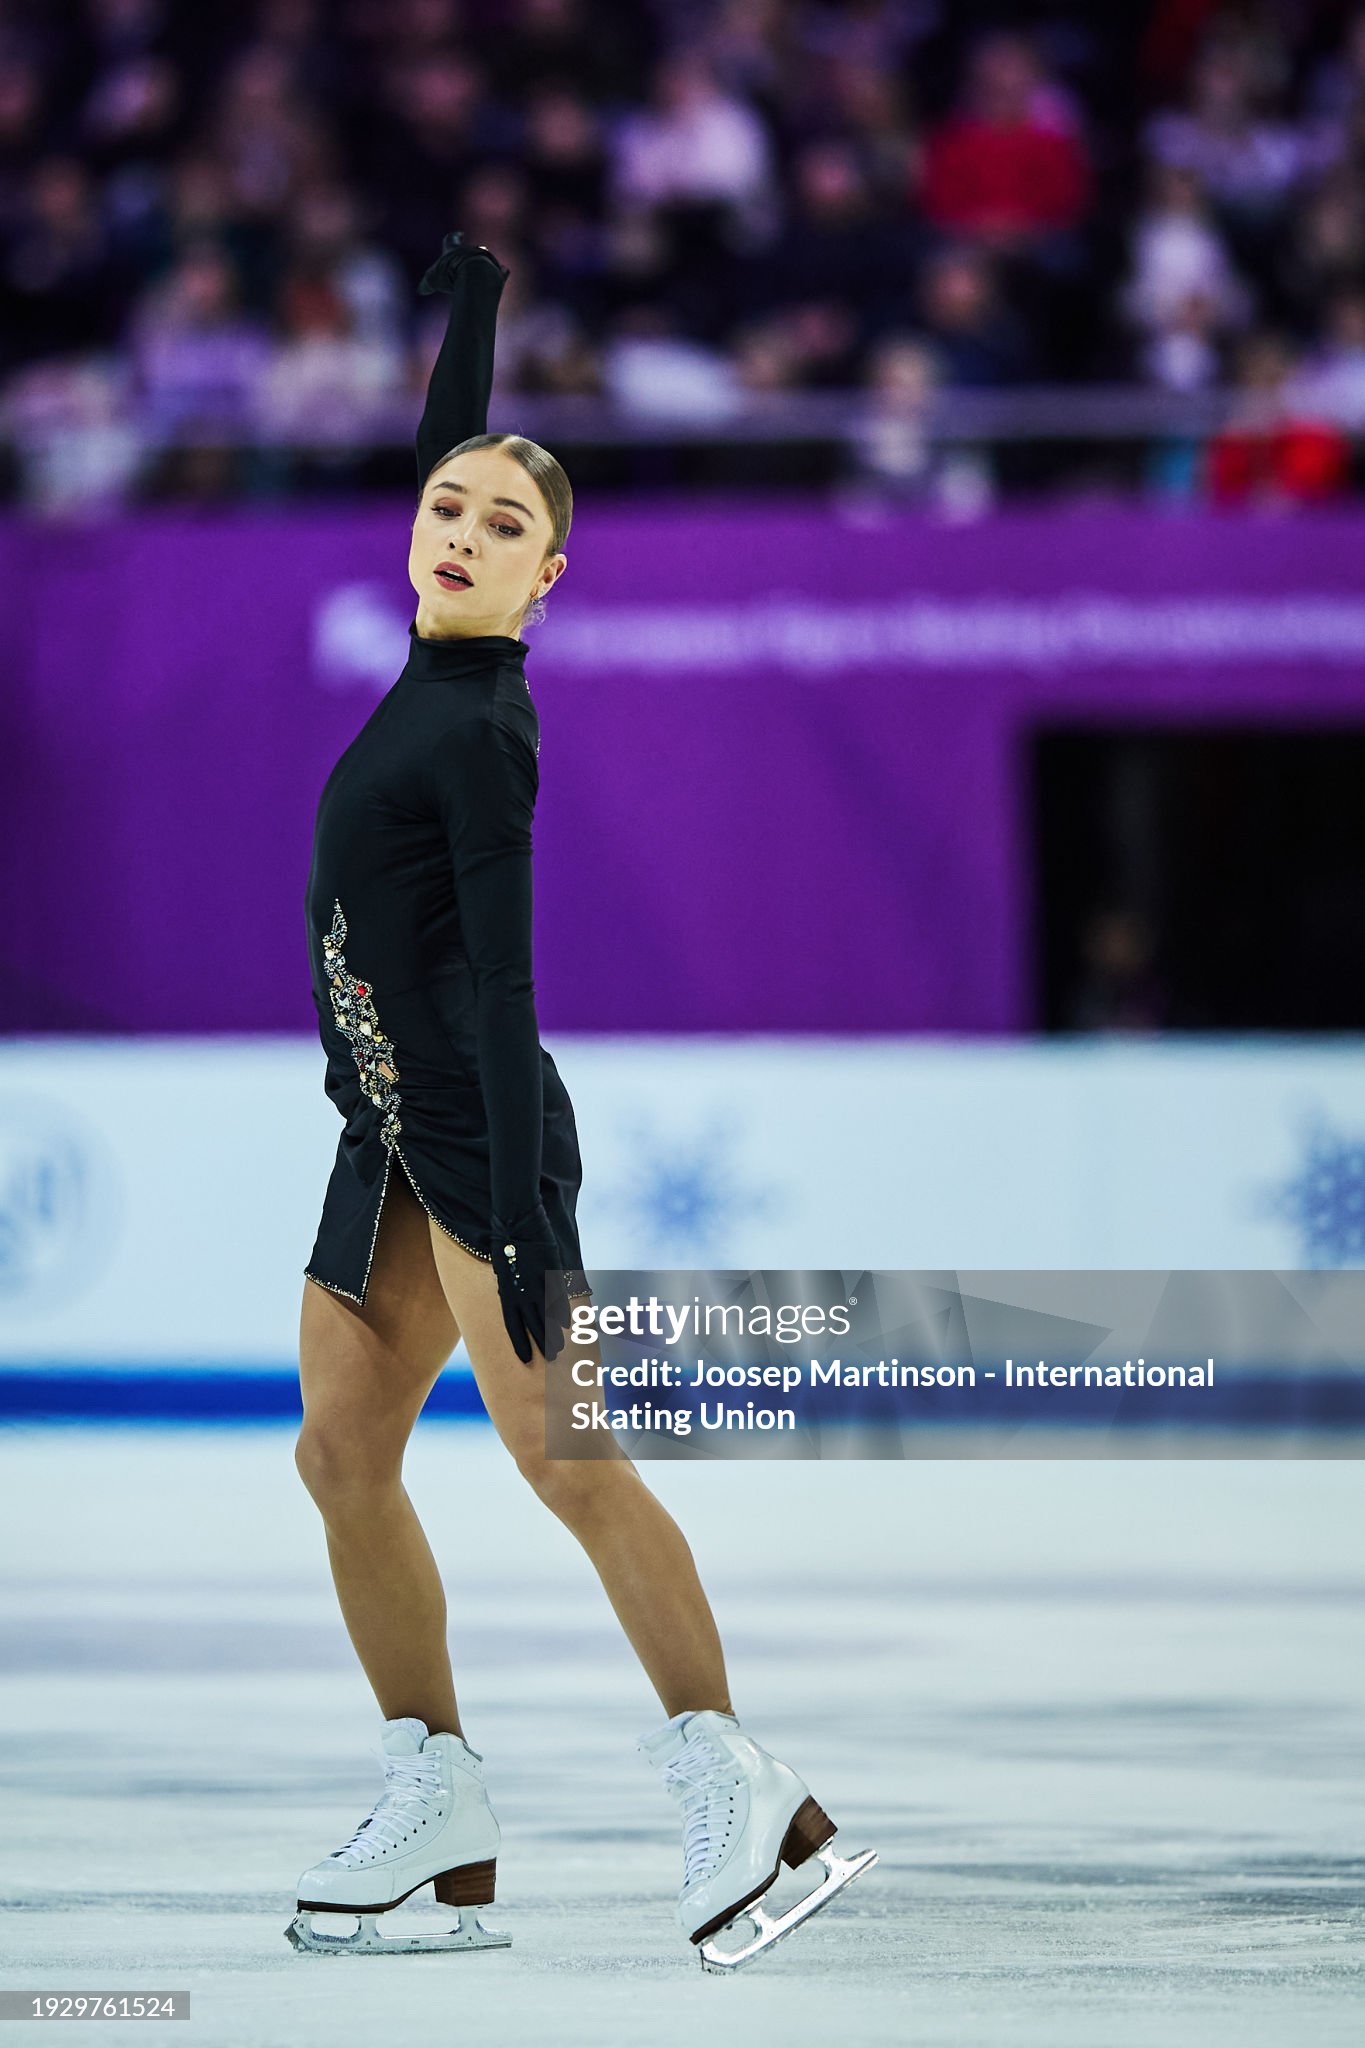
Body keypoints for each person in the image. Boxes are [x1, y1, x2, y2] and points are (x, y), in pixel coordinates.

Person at [286, 230, 874, 1968]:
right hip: (385, 1128)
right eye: (446, 509)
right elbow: (452, 445)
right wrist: (473, 306)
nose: (461, 532)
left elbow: (508, 974)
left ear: (545, 580)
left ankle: (741, 1782)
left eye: (503, 528)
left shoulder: (481, 727)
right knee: (340, 1453)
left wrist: (528, 1227)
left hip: (473, 1131)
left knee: (566, 1453)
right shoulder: (432, 647)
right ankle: (438, 1800)